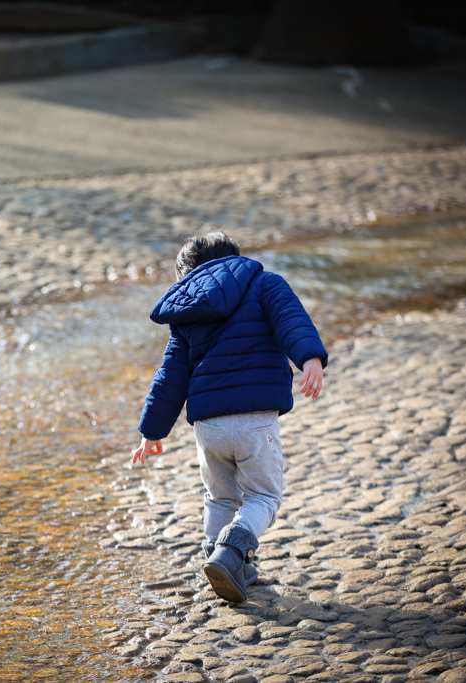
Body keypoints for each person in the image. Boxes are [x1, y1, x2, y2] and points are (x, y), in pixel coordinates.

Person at [131, 230, 327, 603]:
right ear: (233, 257)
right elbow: (292, 322)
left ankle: (224, 561)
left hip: (208, 427)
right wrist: (310, 358)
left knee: (220, 497)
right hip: (254, 420)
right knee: (263, 496)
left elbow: (171, 375)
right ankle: (232, 553)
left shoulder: (188, 312)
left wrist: (151, 431)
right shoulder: (265, 283)